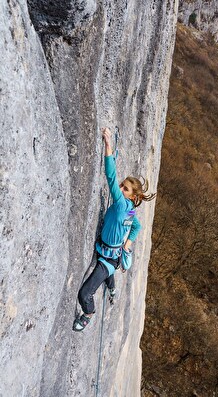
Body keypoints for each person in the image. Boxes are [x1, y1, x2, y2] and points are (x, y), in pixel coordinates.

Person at [73, 127, 156, 331]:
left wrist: (108, 145)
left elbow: (110, 175)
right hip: (111, 253)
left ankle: (89, 313)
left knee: (84, 294)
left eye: (124, 189)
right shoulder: (129, 211)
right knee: (108, 274)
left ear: (133, 197)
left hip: (109, 259)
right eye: (122, 185)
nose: (119, 189)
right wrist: (127, 244)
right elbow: (136, 226)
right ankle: (111, 288)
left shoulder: (122, 205)